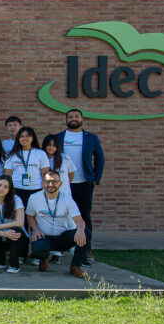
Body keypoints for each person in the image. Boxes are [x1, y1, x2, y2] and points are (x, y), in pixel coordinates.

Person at [56, 108, 105, 263]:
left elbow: (100, 158)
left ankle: (86, 248)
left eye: (76, 116)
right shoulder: (58, 137)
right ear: (66, 120)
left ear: (81, 119)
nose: (73, 119)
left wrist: (96, 177)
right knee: (61, 215)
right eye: (70, 116)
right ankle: (60, 248)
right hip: (63, 185)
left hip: (84, 183)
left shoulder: (91, 137)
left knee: (84, 215)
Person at [26, 170, 90, 278]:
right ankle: (43, 259)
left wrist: (80, 230)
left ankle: (75, 266)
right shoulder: (34, 198)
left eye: (54, 182)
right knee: (38, 246)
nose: (51, 185)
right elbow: (30, 216)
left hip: (62, 237)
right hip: (44, 237)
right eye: (48, 181)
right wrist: (35, 230)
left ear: (60, 183)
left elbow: (79, 220)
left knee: (86, 233)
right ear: (43, 183)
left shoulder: (67, 199)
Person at [3, 126, 44, 207]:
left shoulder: (41, 153)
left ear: (32, 138)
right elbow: (8, 175)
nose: (24, 138)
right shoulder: (12, 155)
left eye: (27, 136)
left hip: (36, 189)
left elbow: (45, 174)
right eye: (22, 136)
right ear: (18, 139)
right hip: (17, 189)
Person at [41, 134, 74, 199]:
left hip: (64, 195)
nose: (51, 148)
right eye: (49, 145)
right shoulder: (40, 159)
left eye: (54, 146)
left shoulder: (65, 158)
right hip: (47, 195)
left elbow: (71, 174)